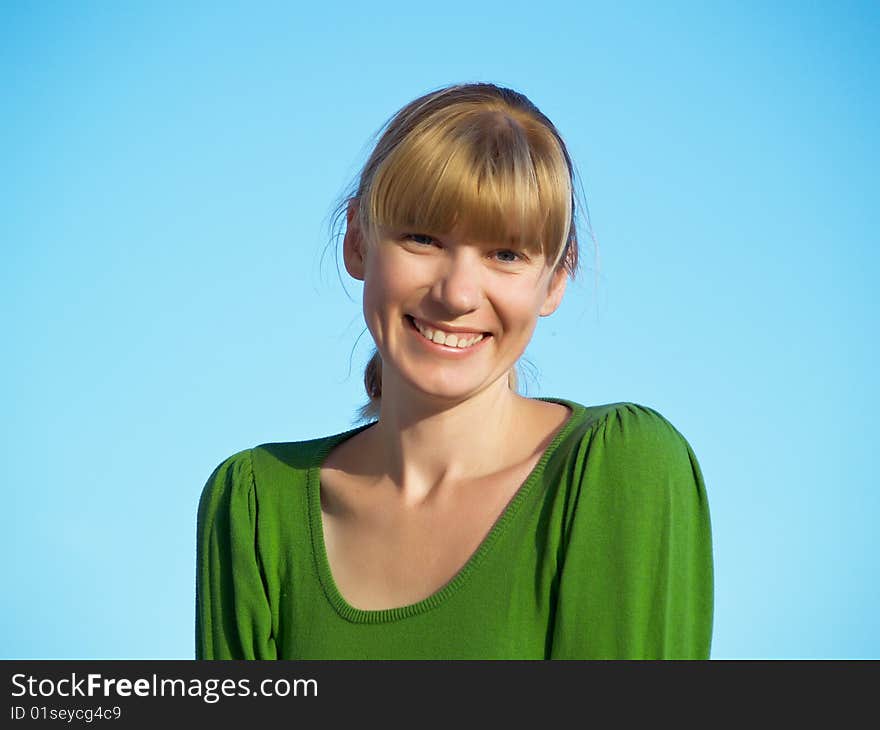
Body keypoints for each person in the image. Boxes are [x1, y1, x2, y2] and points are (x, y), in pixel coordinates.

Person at [195, 82, 714, 659]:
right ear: (357, 241)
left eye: (507, 254)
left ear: (558, 278)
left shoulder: (618, 469)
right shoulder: (252, 503)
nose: (458, 293)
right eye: (423, 238)